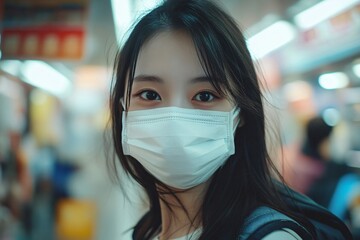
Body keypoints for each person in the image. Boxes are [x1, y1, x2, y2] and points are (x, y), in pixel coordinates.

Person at [107, 0, 351, 239]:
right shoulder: (148, 231)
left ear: (241, 113)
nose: (174, 120)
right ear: (123, 107)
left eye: (204, 95)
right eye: (150, 94)